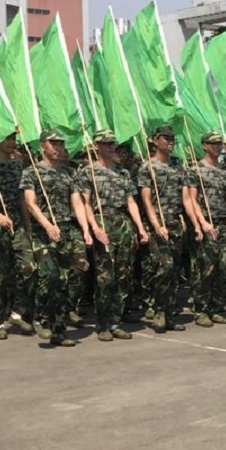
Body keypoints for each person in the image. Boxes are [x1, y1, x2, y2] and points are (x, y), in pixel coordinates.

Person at [74, 130, 148, 342]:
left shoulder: (123, 173)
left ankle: (115, 321)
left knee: (123, 276)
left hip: (122, 223)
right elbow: (86, 204)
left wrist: (140, 228)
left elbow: (131, 202)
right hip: (102, 221)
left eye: (112, 143)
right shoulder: (87, 172)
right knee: (105, 278)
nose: (110, 147)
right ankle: (103, 323)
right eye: (105, 143)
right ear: (96, 146)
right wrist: (94, 227)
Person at [22, 130, 90, 347]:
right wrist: (47, 225)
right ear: (43, 146)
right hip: (43, 232)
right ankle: (40, 318)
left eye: (61, 144)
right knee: (49, 274)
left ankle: (59, 331)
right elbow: (31, 204)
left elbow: (77, 202)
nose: (58, 148)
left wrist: (85, 229)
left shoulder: (70, 173)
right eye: (53, 144)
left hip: (65, 229)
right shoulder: (31, 172)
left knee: (64, 281)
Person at [0, 132, 37, 340]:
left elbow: (21, 199)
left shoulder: (18, 166)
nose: (12, 142)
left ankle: (17, 312)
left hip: (16, 223)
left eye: (13, 138)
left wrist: (27, 226)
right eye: (8, 138)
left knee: (29, 267)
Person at [188, 131, 226, 327]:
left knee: (222, 267)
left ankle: (216, 307)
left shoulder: (225, 172)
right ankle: (201, 310)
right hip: (207, 224)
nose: (217, 147)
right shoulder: (195, 170)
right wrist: (202, 223)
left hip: (222, 224)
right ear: (204, 145)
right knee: (206, 268)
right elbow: (192, 200)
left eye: (220, 143)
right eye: (213, 144)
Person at [138, 126, 192, 333]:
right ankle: (158, 310)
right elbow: (146, 200)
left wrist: (182, 218)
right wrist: (156, 225)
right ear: (155, 140)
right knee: (165, 266)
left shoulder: (178, 167)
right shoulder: (147, 167)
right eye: (165, 138)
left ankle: (169, 313)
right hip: (157, 224)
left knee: (174, 270)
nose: (170, 142)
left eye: (172, 138)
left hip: (174, 224)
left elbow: (183, 197)